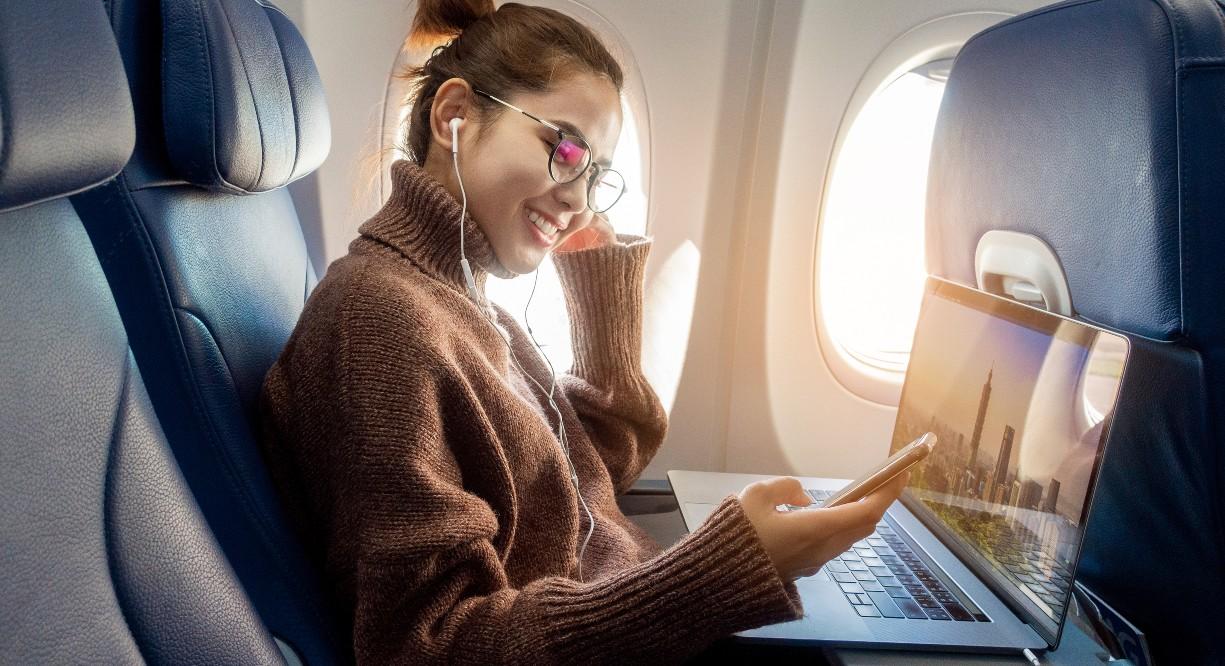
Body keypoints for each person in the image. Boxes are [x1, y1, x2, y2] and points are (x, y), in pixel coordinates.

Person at [258, 1, 906, 663]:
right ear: (454, 115)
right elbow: (428, 648)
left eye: (596, 174)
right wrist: (719, 572)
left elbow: (581, 476)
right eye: (564, 148)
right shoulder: (379, 322)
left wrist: (597, 277)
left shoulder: (466, 301)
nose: (580, 201)